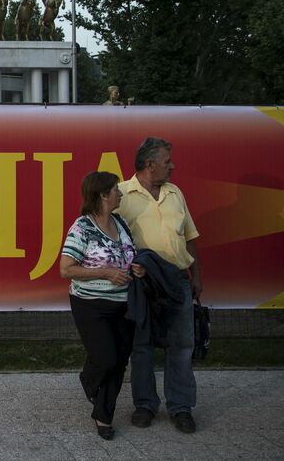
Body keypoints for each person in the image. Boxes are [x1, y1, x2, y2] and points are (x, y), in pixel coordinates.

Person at [118, 137, 202, 434]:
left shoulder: (175, 192)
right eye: (167, 162)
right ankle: (144, 404)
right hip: (143, 283)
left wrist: (197, 276)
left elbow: (189, 235)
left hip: (178, 279)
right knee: (141, 346)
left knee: (181, 345)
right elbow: (110, 240)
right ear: (149, 165)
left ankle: (181, 407)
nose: (172, 166)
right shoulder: (122, 195)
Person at [60, 171, 145, 440]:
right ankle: (89, 380)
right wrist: (105, 273)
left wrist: (137, 268)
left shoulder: (120, 223)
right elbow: (66, 269)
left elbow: (128, 255)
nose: (120, 194)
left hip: (123, 303)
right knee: (106, 358)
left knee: (119, 361)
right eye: (116, 190)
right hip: (90, 304)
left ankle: (103, 416)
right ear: (102, 195)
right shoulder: (82, 227)